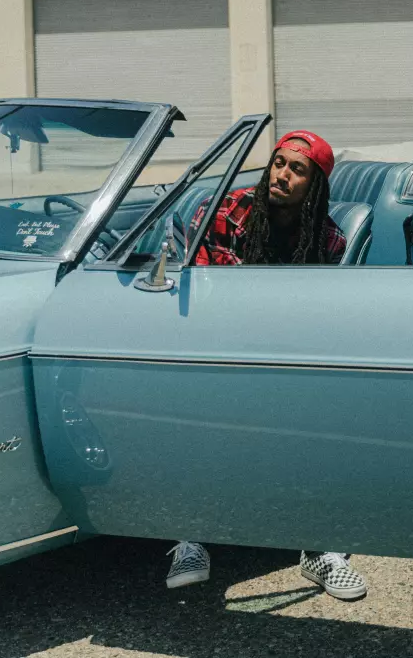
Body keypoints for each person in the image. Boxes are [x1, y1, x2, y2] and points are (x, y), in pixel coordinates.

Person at [164, 130, 367, 602]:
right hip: (216, 350)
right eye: (279, 163)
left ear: (314, 185)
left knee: (324, 418)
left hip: (286, 356)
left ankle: (320, 550)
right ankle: (190, 539)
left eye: (297, 170)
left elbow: (322, 315)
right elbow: (209, 297)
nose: (282, 175)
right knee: (190, 414)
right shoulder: (222, 211)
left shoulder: (329, 239)